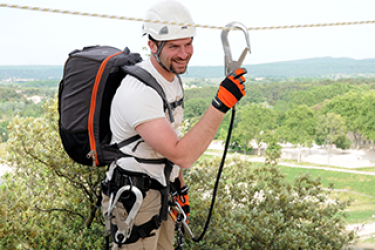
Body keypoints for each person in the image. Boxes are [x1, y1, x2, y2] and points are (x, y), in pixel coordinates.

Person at [101, 0, 247, 249]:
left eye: (188, 43)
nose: (184, 53)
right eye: (174, 47)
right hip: (135, 199)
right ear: (152, 45)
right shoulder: (139, 92)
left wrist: (179, 185)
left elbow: (171, 142)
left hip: (161, 191)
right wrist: (220, 104)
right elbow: (183, 154)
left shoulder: (171, 79)